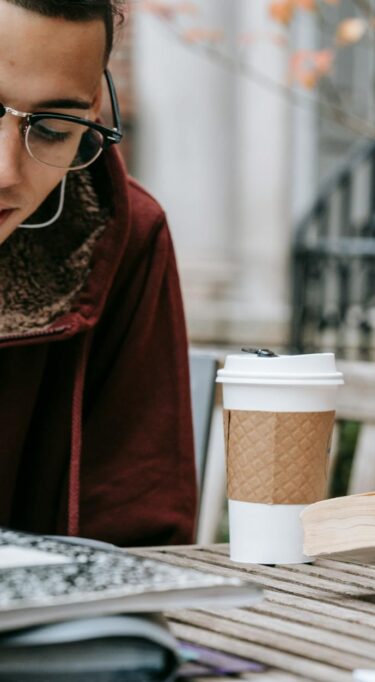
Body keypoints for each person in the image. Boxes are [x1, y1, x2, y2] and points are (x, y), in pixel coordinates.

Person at [0, 0, 195, 546]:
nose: (7, 173)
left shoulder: (122, 234)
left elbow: (137, 538)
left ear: (90, 114)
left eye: (53, 128)